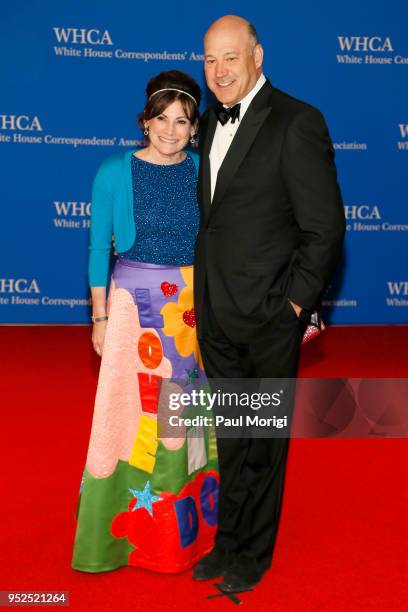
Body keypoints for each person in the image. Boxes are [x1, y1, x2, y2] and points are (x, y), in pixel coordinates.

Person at [192, 15, 346, 592]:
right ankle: (227, 540)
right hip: (216, 313)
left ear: (256, 55)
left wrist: (292, 310)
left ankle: (254, 554)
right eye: (209, 60)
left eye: (230, 57)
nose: (219, 71)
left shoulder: (297, 121)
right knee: (232, 436)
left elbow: (325, 228)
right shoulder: (207, 124)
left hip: (267, 319)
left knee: (263, 441)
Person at [72, 70, 219, 574]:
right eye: (162, 119)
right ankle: (125, 528)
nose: (172, 131)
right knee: (130, 412)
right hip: (133, 307)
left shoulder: (204, 170)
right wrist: (99, 315)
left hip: (190, 309)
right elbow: (98, 249)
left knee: (184, 414)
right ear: (145, 121)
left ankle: (184, 531)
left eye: (183, 121)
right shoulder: (114, 171)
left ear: (195, 127)